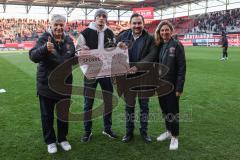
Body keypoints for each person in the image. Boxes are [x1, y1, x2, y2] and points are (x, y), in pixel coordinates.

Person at [133, 20, 186, 150]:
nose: (164, 32)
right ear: (159, 32)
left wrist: (179, 88)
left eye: (166, 30)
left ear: (171, 31)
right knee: (165, 111)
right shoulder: (160, 45)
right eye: (162, 30)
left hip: (172, 86)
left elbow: (182, 69)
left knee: (172, 112)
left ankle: (175, 137)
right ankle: (168, 131)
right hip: (161, 85)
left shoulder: (177, 45)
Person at [29, 14, 75, 153]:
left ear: (65, 25)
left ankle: (62, 139)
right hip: (46, 85)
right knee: (47, 116)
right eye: (56, 24)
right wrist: (44, 48)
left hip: (64, 85)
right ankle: (50, 141)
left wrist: (81, 56)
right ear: (51, 24)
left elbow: (71, 60)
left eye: (61, 24)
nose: (59, 27)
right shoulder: (44, 38)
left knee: (63, 114)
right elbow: (32, 56)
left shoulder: (69, 40)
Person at [76, 8, 117, 142]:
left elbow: (114, 52)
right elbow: (77, 52)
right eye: (98, 16)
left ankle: (107, 128)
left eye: (103, 16)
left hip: (106, 73)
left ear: (106, 18)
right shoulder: (86, 33)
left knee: (108, 101)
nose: (101, 18)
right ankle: (87, 131)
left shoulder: (110, 33)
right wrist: (81, 50)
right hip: (91, 72)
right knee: (88, 103)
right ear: (95, 18)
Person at [116, 13, 156, 143]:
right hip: (128, 79)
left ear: (143, 24)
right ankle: (129, 132)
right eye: (134, 23)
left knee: (144, 106)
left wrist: (137, 67)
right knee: (129, 106)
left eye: (139, 23)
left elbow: (152, 55)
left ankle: (144, 132)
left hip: (144, 77)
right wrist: (117, 47)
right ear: (130, 24)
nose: (137, 25)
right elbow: (113, 52)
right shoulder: (122, 36)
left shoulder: (150, 38)